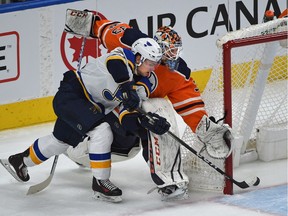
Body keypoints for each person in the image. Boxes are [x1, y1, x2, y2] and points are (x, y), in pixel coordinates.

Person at [65, 12, 233, 200]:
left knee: (156, 118)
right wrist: (90, 24)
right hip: (110, 105)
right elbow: (106, 29)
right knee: (110, 136)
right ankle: (78, 150)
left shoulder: (177, 72)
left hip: (137, 114)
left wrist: (205, 128)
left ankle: (169, 179)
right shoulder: (131, 41)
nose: (172, 56)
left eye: (175, 51)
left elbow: (189, 103)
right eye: (168, 51)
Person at [4, 37, 171, 203]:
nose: (153, 68)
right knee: (102, 131)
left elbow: (128, 114)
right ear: (139, 57)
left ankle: (19, 160)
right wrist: (126, 88)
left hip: (90, 108)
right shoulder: (122, 56)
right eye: (150, 62)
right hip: (74, 94)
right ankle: (100, 182)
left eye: (155, 64)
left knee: (60, 141)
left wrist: (145, 121)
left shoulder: (141, 82)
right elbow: (115, 65)